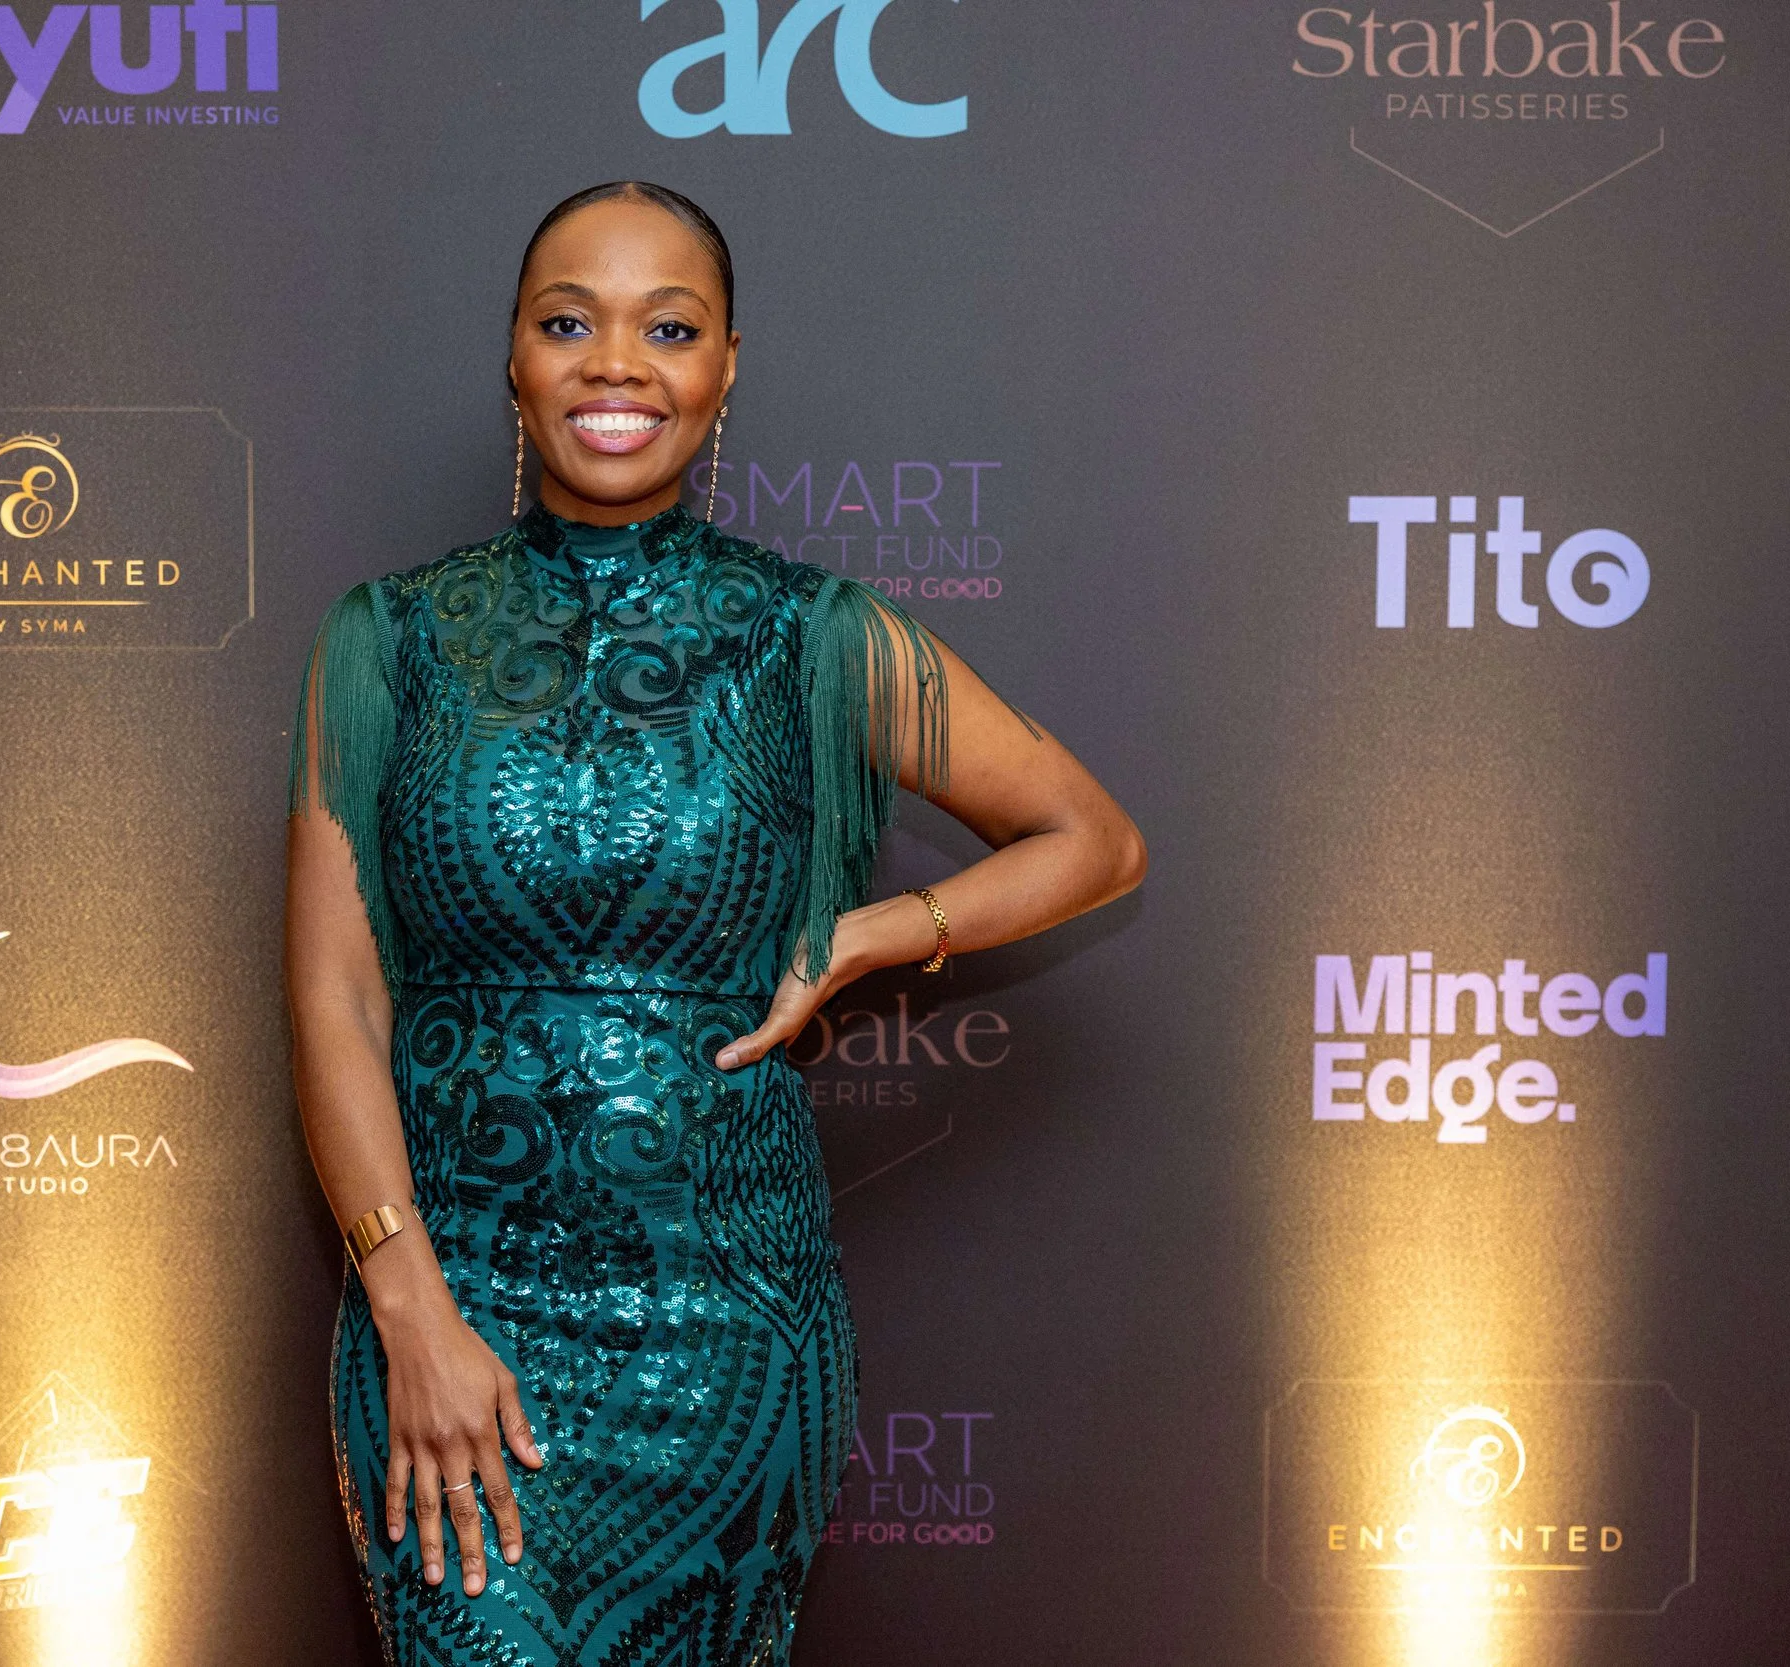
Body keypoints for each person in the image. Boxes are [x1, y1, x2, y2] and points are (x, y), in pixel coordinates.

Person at [285, 180, 1145, 1666]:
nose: (616, 364)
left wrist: (876, 932)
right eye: (570, 323)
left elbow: (1096, 839)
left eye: (667, 329)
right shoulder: (389, 640)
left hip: (728, 1339)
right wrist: (409, 1309)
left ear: (726, 364)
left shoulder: (813, 635)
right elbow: (335, 998)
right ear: (513, 356)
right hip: (452, 1310)